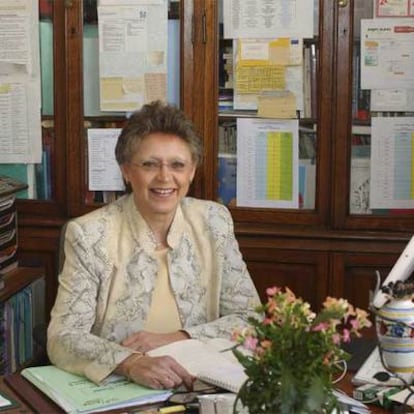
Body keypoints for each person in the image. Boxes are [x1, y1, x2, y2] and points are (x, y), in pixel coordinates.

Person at [47, 100, 261, 392]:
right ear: (126, 171)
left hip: (202, 384)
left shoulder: (214, 221)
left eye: (177, 165)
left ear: (192, 172)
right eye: (149, 164)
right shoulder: (90, 234)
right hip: (122, 388)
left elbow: (251, 319)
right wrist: (130, 362)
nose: (164, 177)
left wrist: (179, 337)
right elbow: (63, 336)